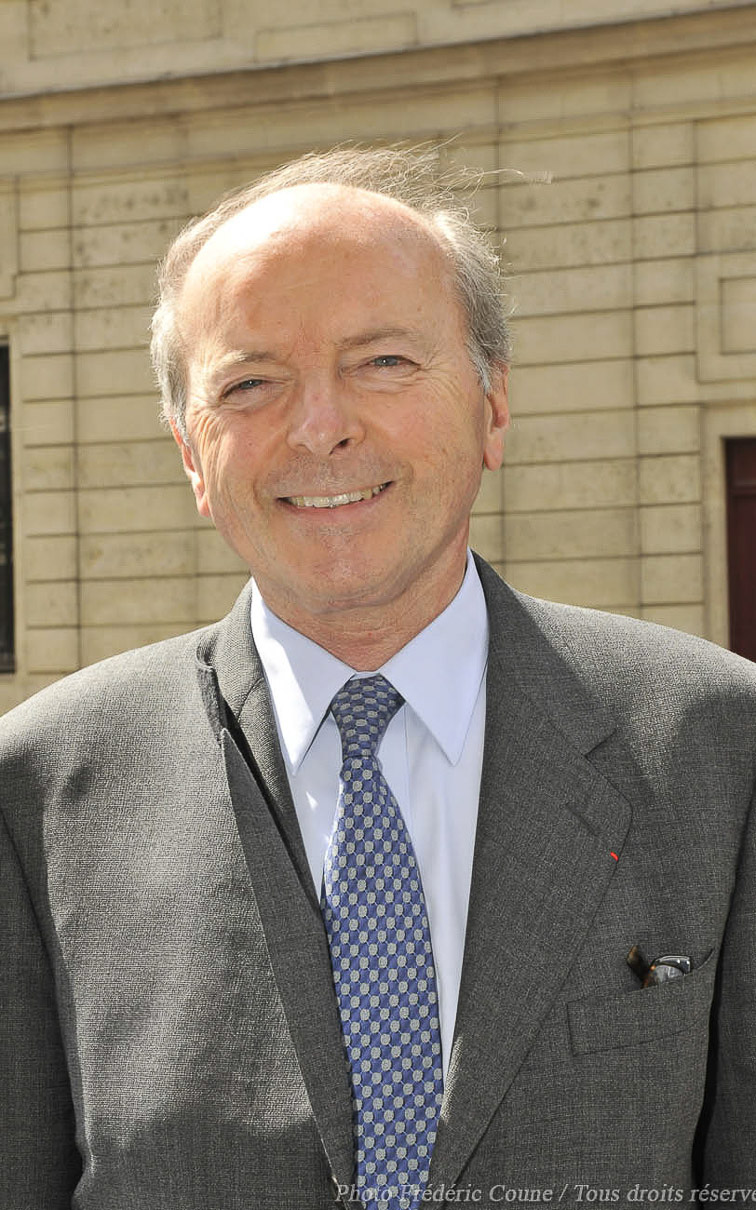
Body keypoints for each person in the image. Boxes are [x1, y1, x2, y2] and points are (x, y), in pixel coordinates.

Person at [1, 146, 755, 1210]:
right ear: (190, 454)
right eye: (251, 383)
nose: (322, 428)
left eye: (384, 362)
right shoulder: (38, 790)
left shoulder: (719, 748)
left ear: (493, 407)